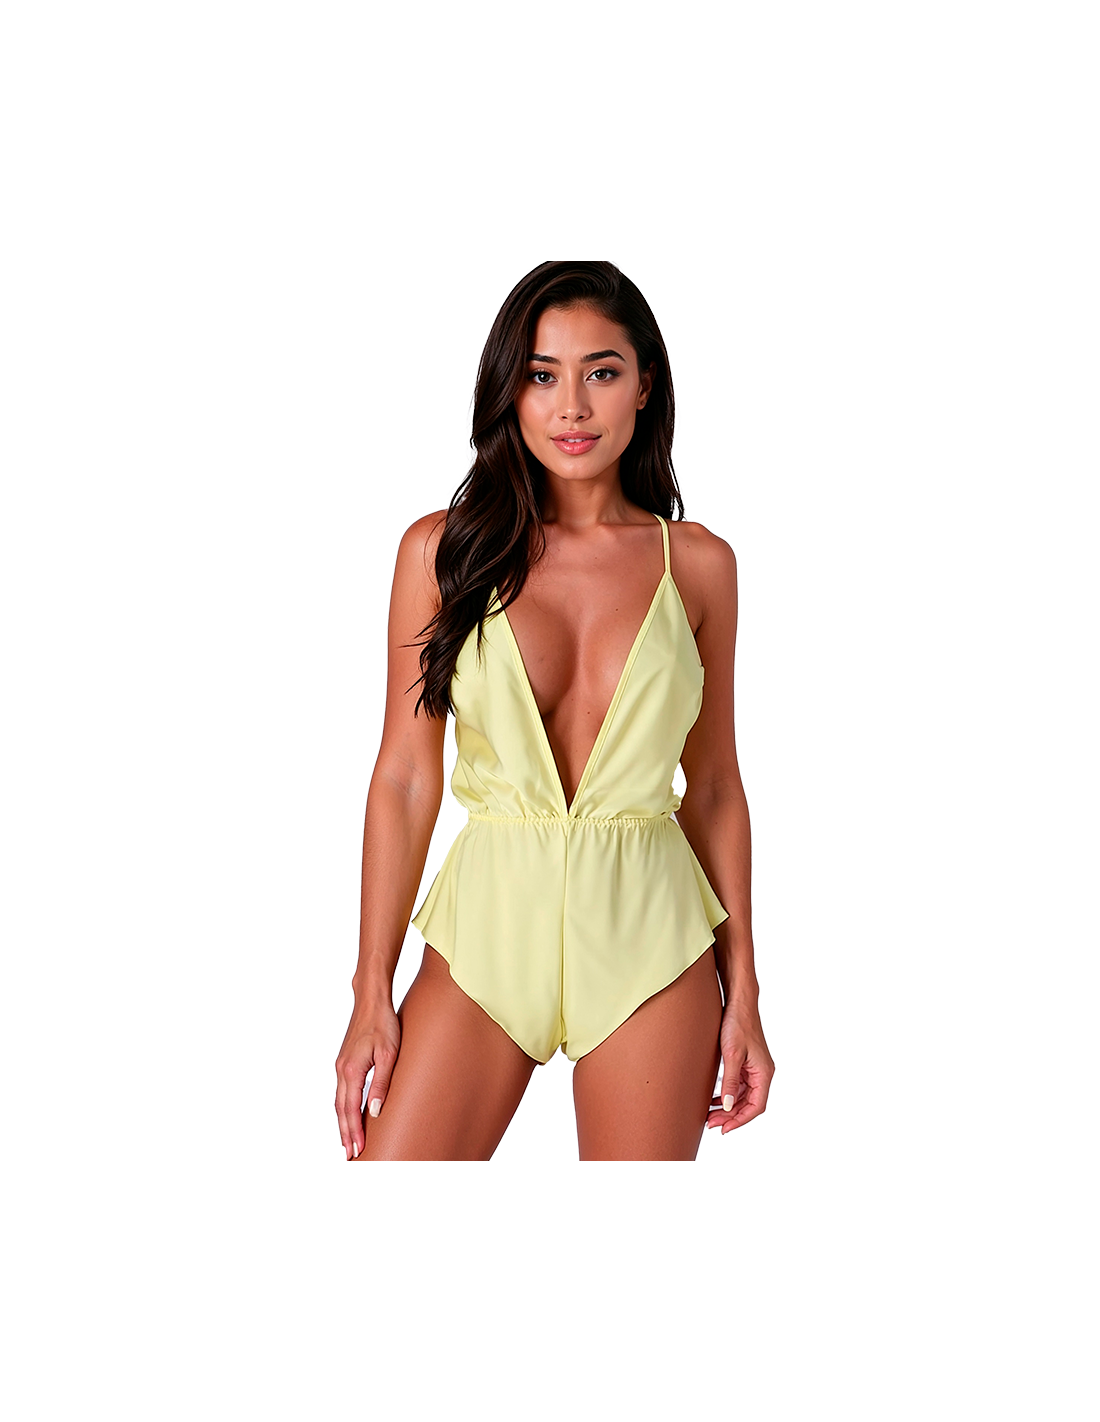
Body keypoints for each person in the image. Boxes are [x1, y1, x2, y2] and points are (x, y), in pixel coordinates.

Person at [335, 260, 774, 1161]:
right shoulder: (441, 554)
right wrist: (370, 989)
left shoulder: (699, 566)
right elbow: (406, 777)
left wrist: (748, 996)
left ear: (644, 384)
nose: (572, 407)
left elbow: (715, 789)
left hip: (651, 940)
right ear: (511, 388)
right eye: (542, 375)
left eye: (601, 372)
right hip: (486, 933)